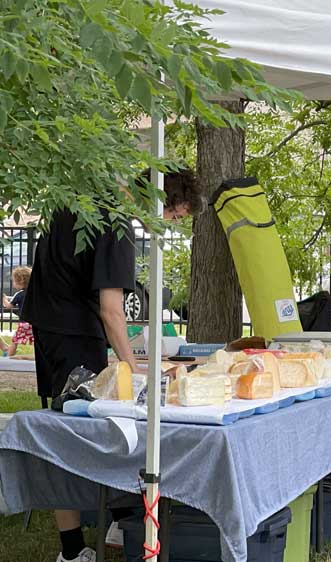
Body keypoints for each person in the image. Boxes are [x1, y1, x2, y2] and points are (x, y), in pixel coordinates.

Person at [22, 170, 201, 562]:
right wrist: (133, 365)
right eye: (176, 217)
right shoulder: (117, 224)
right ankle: (73, 549)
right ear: (162, 201)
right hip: (72, 333)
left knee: (70, 428)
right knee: (83, 434)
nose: (170, 226)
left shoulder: (87, 196)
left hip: (50, 324)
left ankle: (119, 521)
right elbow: (111, 310)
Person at [2, 266, 33, 356]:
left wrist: (4, 300)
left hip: (24, 323)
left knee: (15, 340)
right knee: (36, 341)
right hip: (34, 322)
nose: (13, 284)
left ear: (20, 282)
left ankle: (9, 356)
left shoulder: (18, 294)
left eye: (14, 281)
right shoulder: (33, 292)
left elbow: (9, 306)